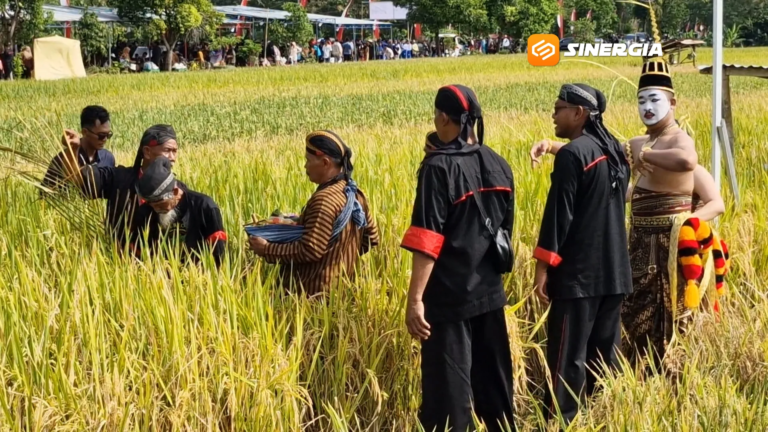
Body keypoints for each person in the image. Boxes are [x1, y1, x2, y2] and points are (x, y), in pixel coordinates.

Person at [401, 85, 515, 432]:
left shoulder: (437, 168)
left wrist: (415, 299)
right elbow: (505, 231)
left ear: (444, 117)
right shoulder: (498, 162)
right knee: (495, 389)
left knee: (447, 398)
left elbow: (427, 240)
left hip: (449, 300)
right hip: (490, 294)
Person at [532, 84, 631, 425]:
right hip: (615, 273)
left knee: (566, 358)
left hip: (579, 277)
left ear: (579, 113)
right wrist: (552, 147)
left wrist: (543, 268)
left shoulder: (575, 155)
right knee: (605, 356)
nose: (553, 114)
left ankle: (561, 421)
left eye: (559, 107)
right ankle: (607, 418)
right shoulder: (615, 152)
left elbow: (558, 217)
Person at [248, 130, 379, 296]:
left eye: (308, 160)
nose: (305, 166)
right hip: (343, 290)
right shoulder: (355, 193)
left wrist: (267, 249)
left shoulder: (323, 201)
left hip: (313, 295)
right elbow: (371, 238)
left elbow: (311, 249)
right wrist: (340, 257)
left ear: (325, 162)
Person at [58, 124, 184, 246]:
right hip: (116, 259)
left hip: (158, 263)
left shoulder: (179, 190)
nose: (172, 157)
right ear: (147, 152)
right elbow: (77, 178)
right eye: (167, 150)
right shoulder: (119, 178)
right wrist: (73, 149)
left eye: (175, 151)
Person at [131, 156, 227, 267]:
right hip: (160, 278)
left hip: (200, 276)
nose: (157, 209)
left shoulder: (205, 206)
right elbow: (137, 254)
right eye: (152, 206)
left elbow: (219, 253)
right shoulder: (145, 212)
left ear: (175, 192)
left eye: (160, 204)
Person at [42, 105, 116, 191]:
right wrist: (73, 148)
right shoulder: (62, 158)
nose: (105, 139)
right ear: (85, 132)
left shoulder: (108, 158)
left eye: (108, 135)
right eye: (101, 135)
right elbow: (45, 196)